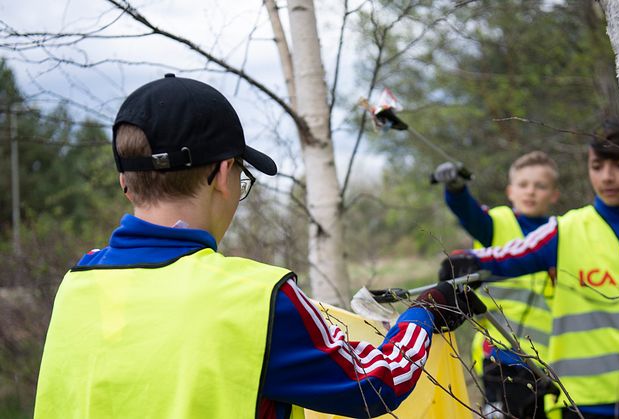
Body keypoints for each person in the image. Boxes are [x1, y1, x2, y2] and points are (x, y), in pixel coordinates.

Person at [33, 74, 486, 419]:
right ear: (224, 173)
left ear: (124, 182)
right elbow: (376, 382)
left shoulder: (80, 281)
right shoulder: (255, 298)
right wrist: (424, 312)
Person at [441, 118, 619, 419]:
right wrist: (465, 262)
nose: (607, 177)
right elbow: (503, 255)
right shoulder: (565, 231)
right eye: (597, 166)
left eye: (618, 165)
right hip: (588, 404)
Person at [433, 152, 560, 419]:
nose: (531, 192)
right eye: (523, 185)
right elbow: (469, 213)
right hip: (500, 356)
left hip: (548, 360)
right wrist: (456, 189)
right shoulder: (497, 224)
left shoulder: (560, 234)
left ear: (554, 194)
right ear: (510, 191)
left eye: (540, 186)